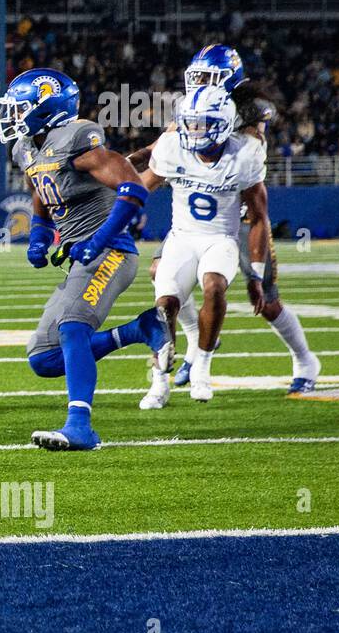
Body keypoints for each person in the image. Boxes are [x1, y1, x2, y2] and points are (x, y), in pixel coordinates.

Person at [0, 68, 174, 451]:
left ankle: (80, 426)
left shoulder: (78, 140)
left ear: (46, 107)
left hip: (112, 251)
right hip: (81, 255)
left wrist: (98, 240)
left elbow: (132, 190)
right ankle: (140, 329)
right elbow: (40, 187)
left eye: (20, 108)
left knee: (73, 327)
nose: (12, 117)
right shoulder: (27, 147)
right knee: (43, 358)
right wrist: (41, 235)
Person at [131, 44, 321, 396]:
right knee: (163, 272)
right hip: (195, 213)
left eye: (207, 77)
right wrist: (127, 162)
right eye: (197, 76)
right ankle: (196, 341)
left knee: (265, 298)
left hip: (239, 213)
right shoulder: (195, 110)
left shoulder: (250, 112)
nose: (199, 82)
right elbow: (163, 142)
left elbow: (247, 148)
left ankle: (305, 359)